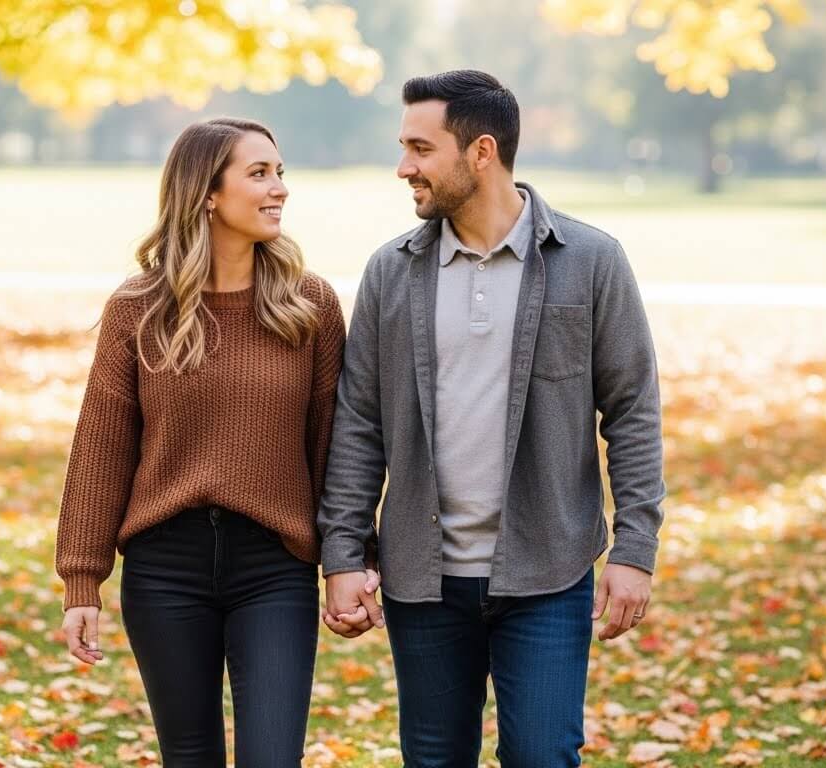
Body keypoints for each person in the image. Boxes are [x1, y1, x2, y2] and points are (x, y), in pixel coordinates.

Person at [318, 70, 667, 767]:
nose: (403, 167)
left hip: (547, 570)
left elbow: (631, 411)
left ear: (481, 152)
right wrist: (343, 554)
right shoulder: (391, 271)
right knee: (433, 758)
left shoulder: (590, 261)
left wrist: (633, 550)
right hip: (423, 579)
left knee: (543, 756)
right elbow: (358, 422)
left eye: (420, 148)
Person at [54, 117, 370, 767]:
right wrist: (81, 583)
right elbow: (102, 447)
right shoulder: (137, 308)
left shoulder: (308, 306)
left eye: (280, 172)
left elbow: (335, 448)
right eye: (259, 173)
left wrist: (350, 557)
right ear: (206, 193)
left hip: (273, 569)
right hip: (164, 568)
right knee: (189, 755)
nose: (278, 187)